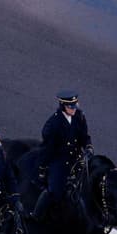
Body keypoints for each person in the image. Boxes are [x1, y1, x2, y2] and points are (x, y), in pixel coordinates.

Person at [33, 90, 93, 219]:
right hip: (59, 160)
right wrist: (43, 166)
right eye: (70, 106)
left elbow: (84, 136)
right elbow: (49, 148)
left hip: (76, 158)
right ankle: (36, 215)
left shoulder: (79, 117)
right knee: (54, 190)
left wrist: (88, 147)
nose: (73, 109)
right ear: (63, 106)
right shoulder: (54, 124)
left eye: (75, 105)